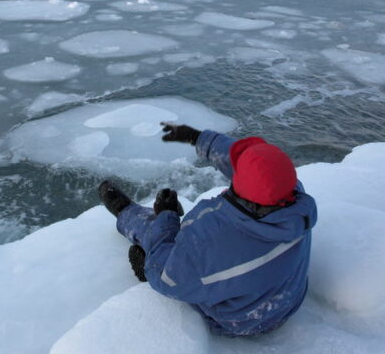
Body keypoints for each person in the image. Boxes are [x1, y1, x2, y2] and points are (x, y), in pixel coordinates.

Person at [98, 122, 317, 337]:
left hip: (239, 320)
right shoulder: (294, 199)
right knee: (190, 251)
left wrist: (167, 215)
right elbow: (253, 169)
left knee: (162, 239)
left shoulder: (213, 240)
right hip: (288, 300)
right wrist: (197, 137)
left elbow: (167, 280)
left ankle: (125, 213)